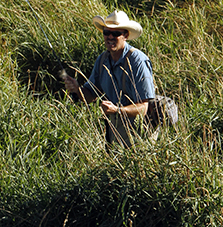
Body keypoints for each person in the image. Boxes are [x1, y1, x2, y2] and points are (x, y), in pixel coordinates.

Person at [63, 10, 155, 147]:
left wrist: (117, 110)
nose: (110, 37)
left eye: (116, 33)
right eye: (106, 32)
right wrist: (77, 89)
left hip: (141, 133)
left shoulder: (138, 61)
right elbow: (90, 96)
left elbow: (143, 107)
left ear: (125, 35)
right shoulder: (102, 60)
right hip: (115, 130)